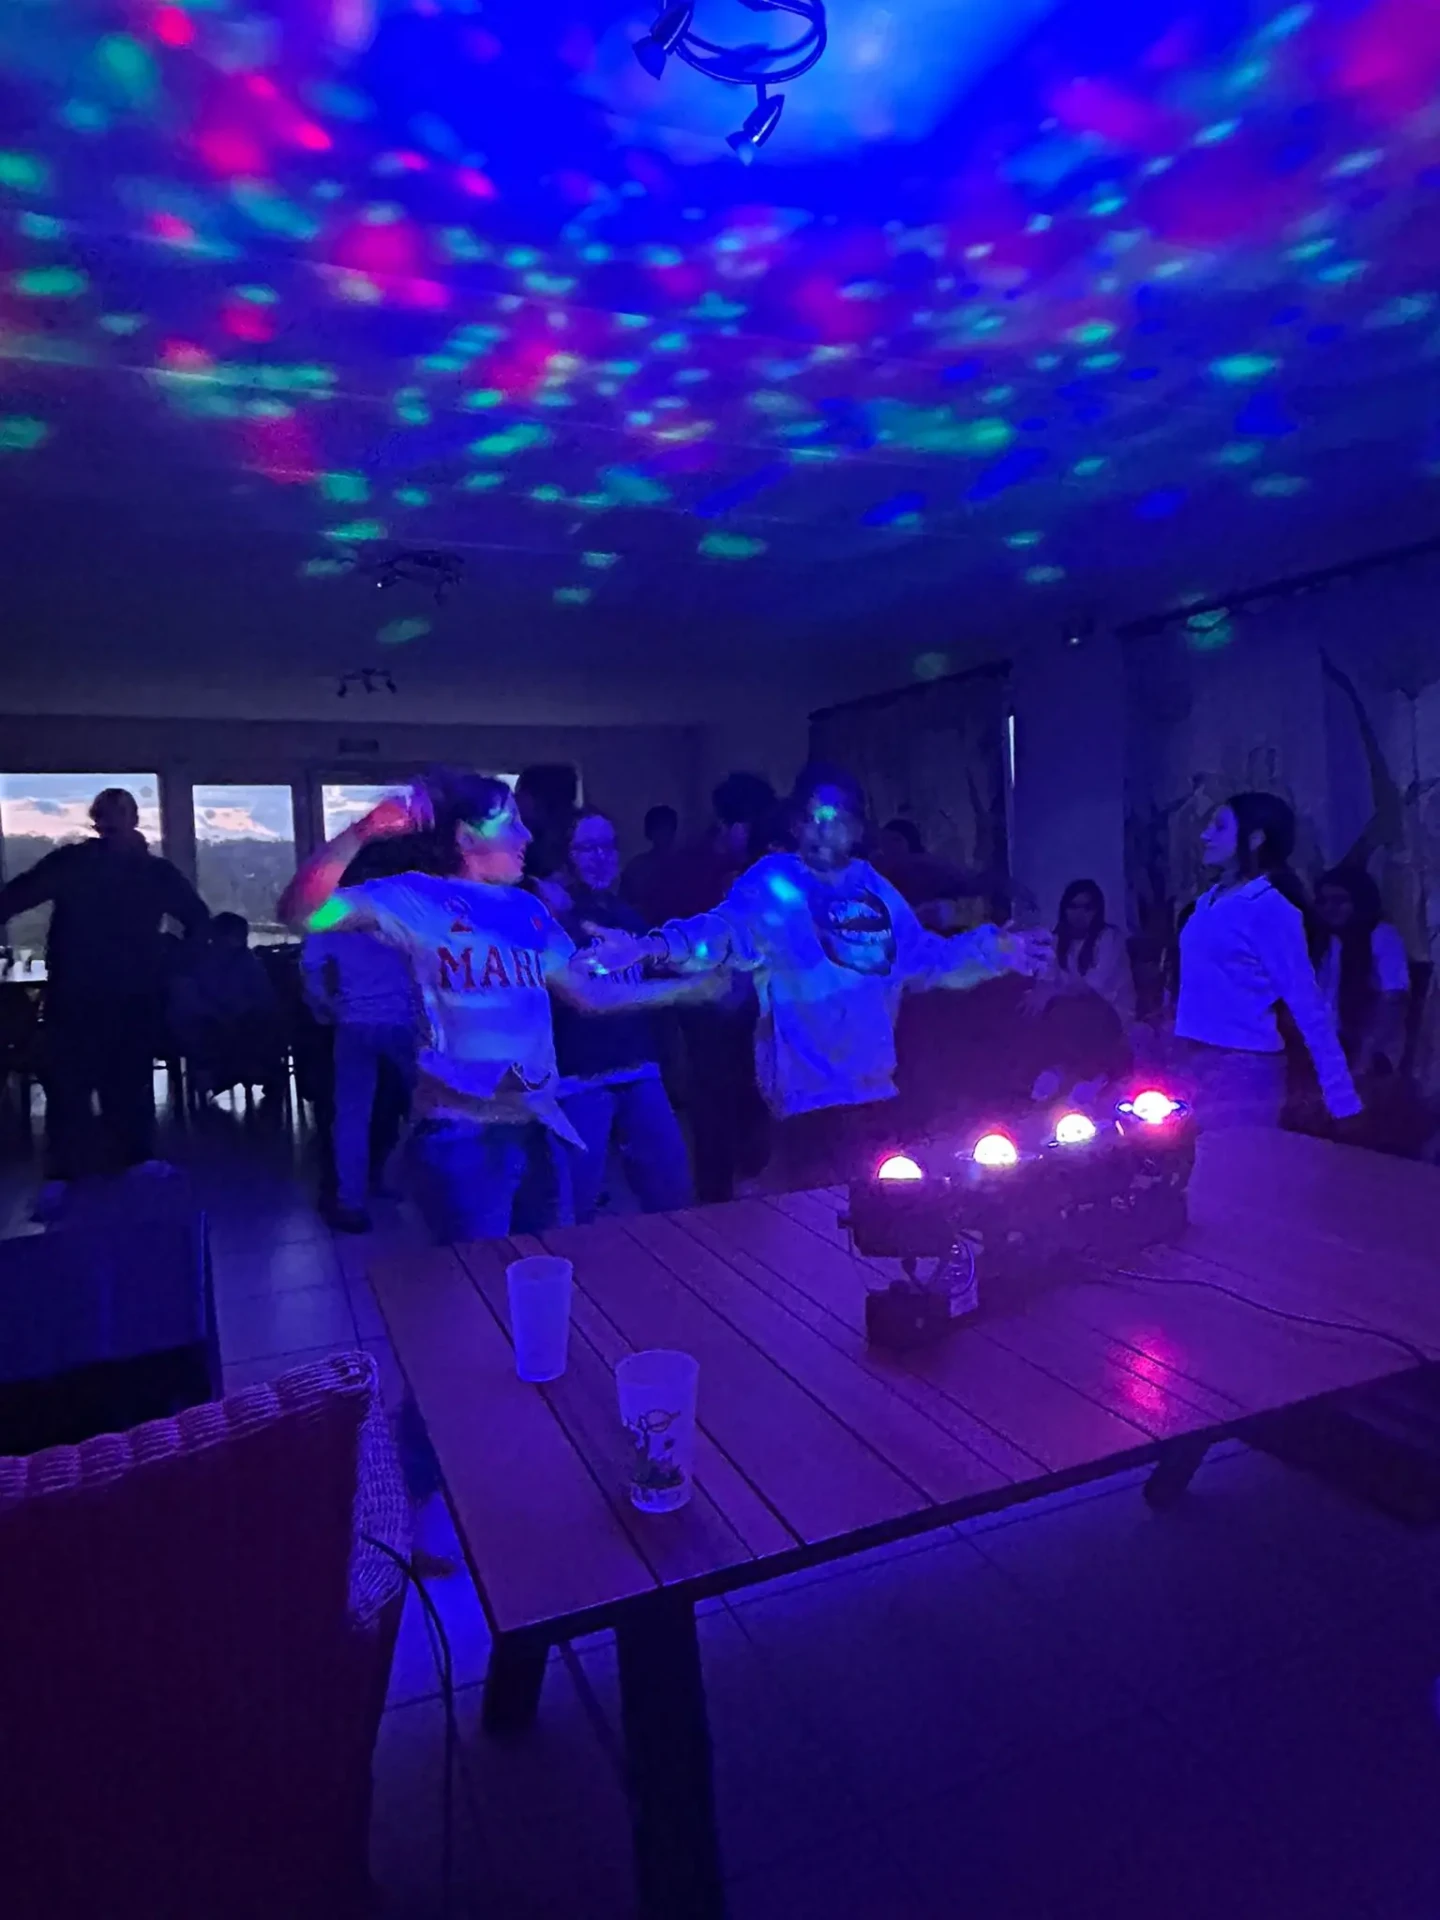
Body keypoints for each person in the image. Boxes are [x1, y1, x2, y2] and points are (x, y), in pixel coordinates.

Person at [277, 769, 698, 1243]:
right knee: (477, 1281)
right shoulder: (417, 897)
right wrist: (364, 831)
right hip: (464, 1135)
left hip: (538, 1124)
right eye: (510, 822)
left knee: (544, 1263)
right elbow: (302, 912)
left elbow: (587, 993)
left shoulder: (528, 910)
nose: (527, 835)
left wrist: (684, 987)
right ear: (466, 835)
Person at [583, 763, 1051, 1189]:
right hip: (807, 1105)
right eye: (814, 818)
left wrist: (994, 949)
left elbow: (923, 959)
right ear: (795, 825)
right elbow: (722, 933)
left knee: (878, 1225)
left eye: (839, 818)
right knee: (811, 1234)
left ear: (858, 826)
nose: (826, 831)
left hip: (874, 1094)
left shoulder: (874, 889)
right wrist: (652, 946)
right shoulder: (774, 884)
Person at [0, 788, 209, 1207]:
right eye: (107, 815)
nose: (111, 822)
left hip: (110, 993)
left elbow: (198, 920)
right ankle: (79, 1169)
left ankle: (113, 1164)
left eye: (116, 814)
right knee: (76, 1085)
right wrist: (170, 960)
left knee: (115, 1082)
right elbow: (14, 899)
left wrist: (168, 962)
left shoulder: (110, 867)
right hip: (90, 993)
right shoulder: (115, 867)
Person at [1173, 793, 1360, 1129]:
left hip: (1241, 1068)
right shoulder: (1208, 902)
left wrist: (1341, 1097)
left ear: (1256, 838)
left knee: (1238, 1160)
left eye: (1220, 826)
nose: (1205, 834)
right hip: (1196, 1059)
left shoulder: (1269, 908)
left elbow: (1307, 1003)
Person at [547, 808, 694, 1223]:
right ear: (567, 855)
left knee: (672, 1192)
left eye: (608, 847)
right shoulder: (553, 917)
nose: (600, 857)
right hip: (581, 1076)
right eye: (587, 848)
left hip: (639, 1067)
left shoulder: (627, 915)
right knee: (575, 1207)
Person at [301, 840, 422, 1232]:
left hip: (354, 1022)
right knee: (427, 1105)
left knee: (352, 1115)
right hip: (405, 1021)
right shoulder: (404, 904)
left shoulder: (334, 908)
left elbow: (311, 971)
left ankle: (350, 1199)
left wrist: (326, 1007)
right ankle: (400, 1177)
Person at [169, 912, 283, 1104]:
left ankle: (225, 1075)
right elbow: (189, 998)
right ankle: (238, 1073)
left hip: (241, 1020)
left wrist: (241, 1010)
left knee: (256, 1029)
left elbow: (264, 997)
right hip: (211, 1020)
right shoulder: (201, 961)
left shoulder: (246, 962)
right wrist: (215, 1012)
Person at [1311, 866, 1410, 1077]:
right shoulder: (1324, 940)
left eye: (1339, 901)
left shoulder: (1381, 935)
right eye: (1323, 901)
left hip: (1372, 1050)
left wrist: (1364, 1055)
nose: (1329, 908)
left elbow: (1393, 1001)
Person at [619, 804, 682, 927]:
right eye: (659, 828)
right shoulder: (637, 868)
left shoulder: (686, 866)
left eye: (667, 827)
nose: (664, 833)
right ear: (649, 832)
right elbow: (624, 905)